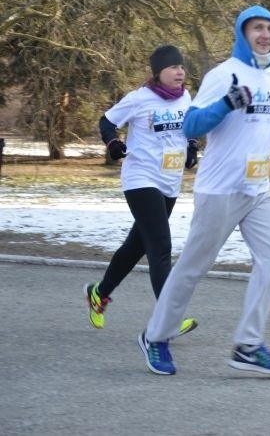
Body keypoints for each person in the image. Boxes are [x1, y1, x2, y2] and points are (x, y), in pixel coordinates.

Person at [138, 5, 270, 376]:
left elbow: (269, 125)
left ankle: (248, 345)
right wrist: (227, 102)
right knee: (193, 267)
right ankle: (157, 336)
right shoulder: (224, 74)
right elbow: (191, 124)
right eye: (257, 29)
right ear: (242, 34)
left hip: (258, 189)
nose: (265, 35)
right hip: (220, 189)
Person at [84, 45, 198, 337]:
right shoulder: (139, 99)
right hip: (140, 178)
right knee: (160, 246)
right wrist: (112, 144)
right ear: (158, 72)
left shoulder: (185, 97)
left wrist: (191, 147)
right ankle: (168, 318)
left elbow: (188, 128)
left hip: (170, 181)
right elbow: (107, 121)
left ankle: (99, 293)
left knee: (137, 245)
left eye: (182, 67)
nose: (180, 72)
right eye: (173, 67)